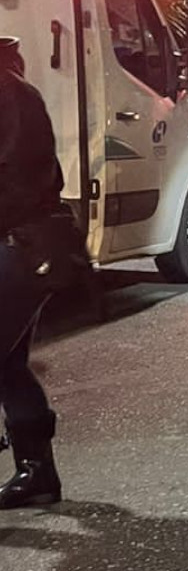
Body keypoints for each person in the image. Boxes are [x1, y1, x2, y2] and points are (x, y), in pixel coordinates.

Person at [0, 37, 87, 509]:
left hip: (20, 244)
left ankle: (36, 470)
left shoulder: (9, 92)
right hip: (19, 242)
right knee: (9, 364)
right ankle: (37, 472)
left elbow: (20, 182)